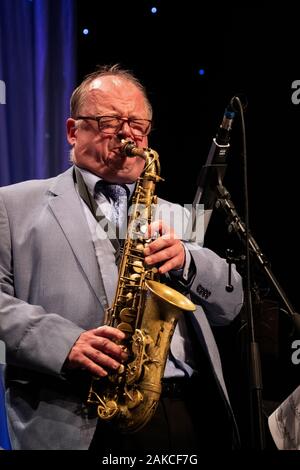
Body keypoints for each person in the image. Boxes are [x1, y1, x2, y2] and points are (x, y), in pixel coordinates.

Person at [0, 64, 244, 451]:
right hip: (77, 416)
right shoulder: (12, 204)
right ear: (72, 130)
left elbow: (232, 305)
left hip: (183, 412)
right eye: (110, 121)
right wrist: (64, 343)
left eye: (138, 125)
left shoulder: (176, 213)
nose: (127, 134)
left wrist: (187, 260)